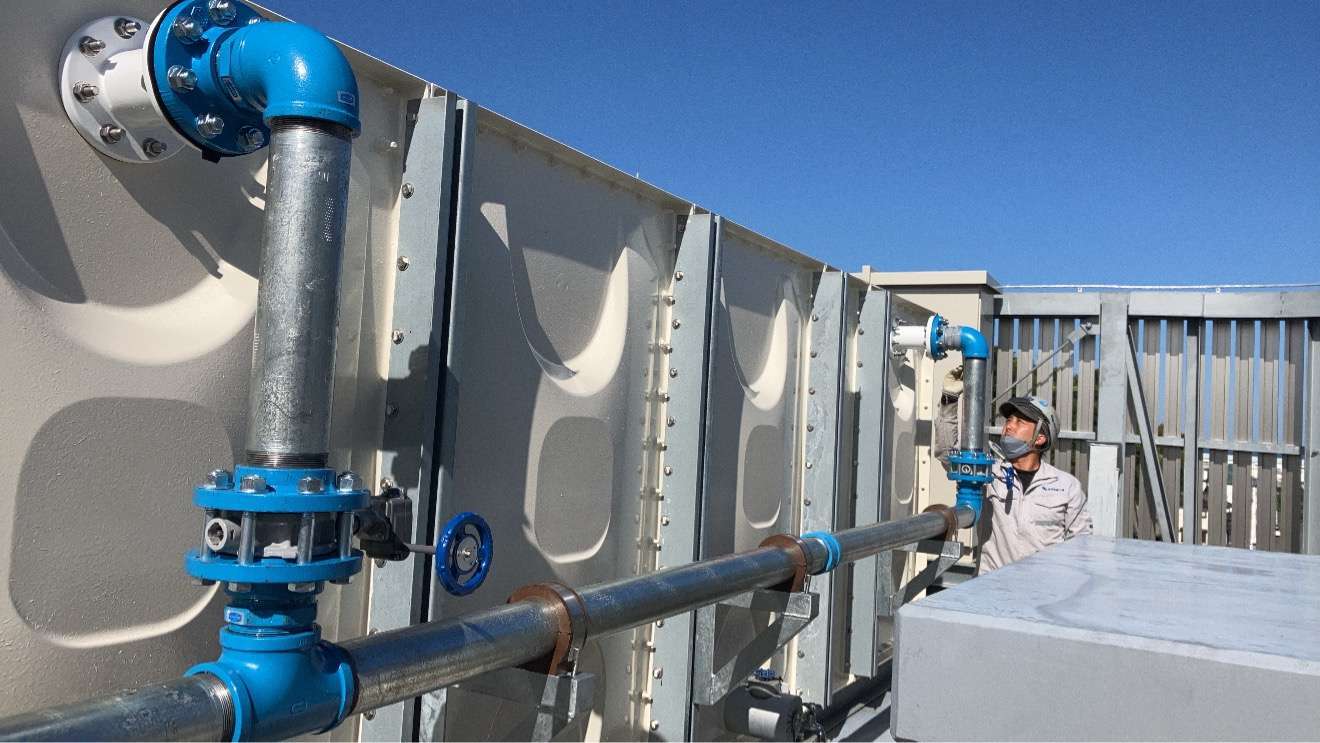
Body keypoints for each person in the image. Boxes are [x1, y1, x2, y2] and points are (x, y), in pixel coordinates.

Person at [935, 372, 1092, 574]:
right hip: (991, 587)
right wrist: (949, 400)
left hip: (1043, 590)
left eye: (1020, 422)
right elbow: (948, 455)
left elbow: (1081, 547)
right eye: (1009, 419)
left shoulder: (1066, 486)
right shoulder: (989, 474)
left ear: (1040, 438)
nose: (1009, 425)